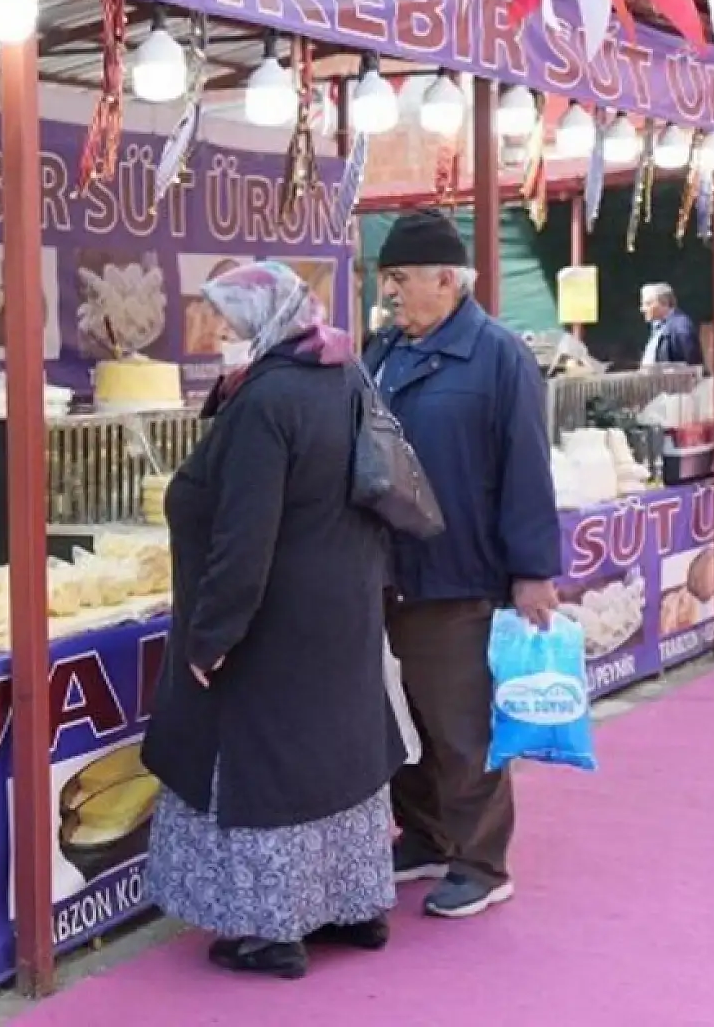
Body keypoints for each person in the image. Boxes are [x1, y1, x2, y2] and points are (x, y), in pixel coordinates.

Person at [141, 261, 404, 980]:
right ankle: (353, 906)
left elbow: (244, 535)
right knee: (339, 760)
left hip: (275, 625)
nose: (220, 335)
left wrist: (212, 634)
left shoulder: (266, 401)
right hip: (344, 608)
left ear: (262, 320)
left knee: (267, 771)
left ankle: (270, 931)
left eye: (228, 322)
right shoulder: (342, 373)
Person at [363, 209, 561, 920]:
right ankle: (425, 834)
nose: (388, 293)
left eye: (399, 278)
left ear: (446, 279)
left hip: (458, 574)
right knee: (401, 721)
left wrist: (532, 571)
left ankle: (481, 862)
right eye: (384, 279)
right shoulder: (382, 351)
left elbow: (526, 467)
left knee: (460, 725)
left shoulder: (499, 356)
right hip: (384, 572)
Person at [640, 282, 704, 368]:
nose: (642, 309)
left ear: (664, 303)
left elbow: (691, 366)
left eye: (648, 304)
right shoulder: (659, 327)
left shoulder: (681, 328)